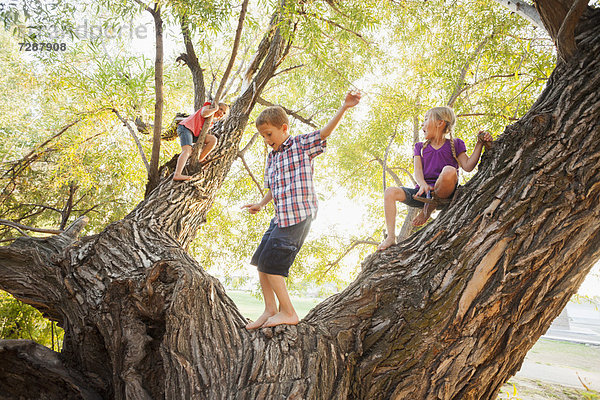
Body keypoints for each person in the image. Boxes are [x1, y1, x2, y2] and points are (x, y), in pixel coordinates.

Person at [242, 91, 361, 329]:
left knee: (273, 266)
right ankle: (270, 309)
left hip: (298, 217)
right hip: (280, 218)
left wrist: (344, 107)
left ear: (284, 128)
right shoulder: (272, 158)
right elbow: (273, 189)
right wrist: (261, 204)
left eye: (269, 134)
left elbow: (324, 133)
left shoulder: (299, 145)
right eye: (263, 136)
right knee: (260, 263)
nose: (267, 140)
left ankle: (289, 312)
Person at [377, 106, 493, 251]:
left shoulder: (456, 144)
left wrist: (479, 144)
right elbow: (418, 171)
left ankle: (429, 209)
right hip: (424, 194)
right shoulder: (419, 147)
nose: (422, 124)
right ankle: (390, 238)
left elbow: (468, 166)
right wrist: (423, 184)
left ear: (440, 123)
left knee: (449, 171)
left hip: (445, 192)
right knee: (390, 192)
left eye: (426, 119)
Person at [173, 101, 229, 181]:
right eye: (220, 109)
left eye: (224, 113)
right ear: (216, 106)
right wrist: (214, 109)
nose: (221, 113)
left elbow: (202, 134)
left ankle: (199, 159)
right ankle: (177, 174)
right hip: (186, 128)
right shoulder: (208, 106)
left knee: (213, 140)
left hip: (194, 134)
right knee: (187, 151)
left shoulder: (211, 123)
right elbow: (204, 114)